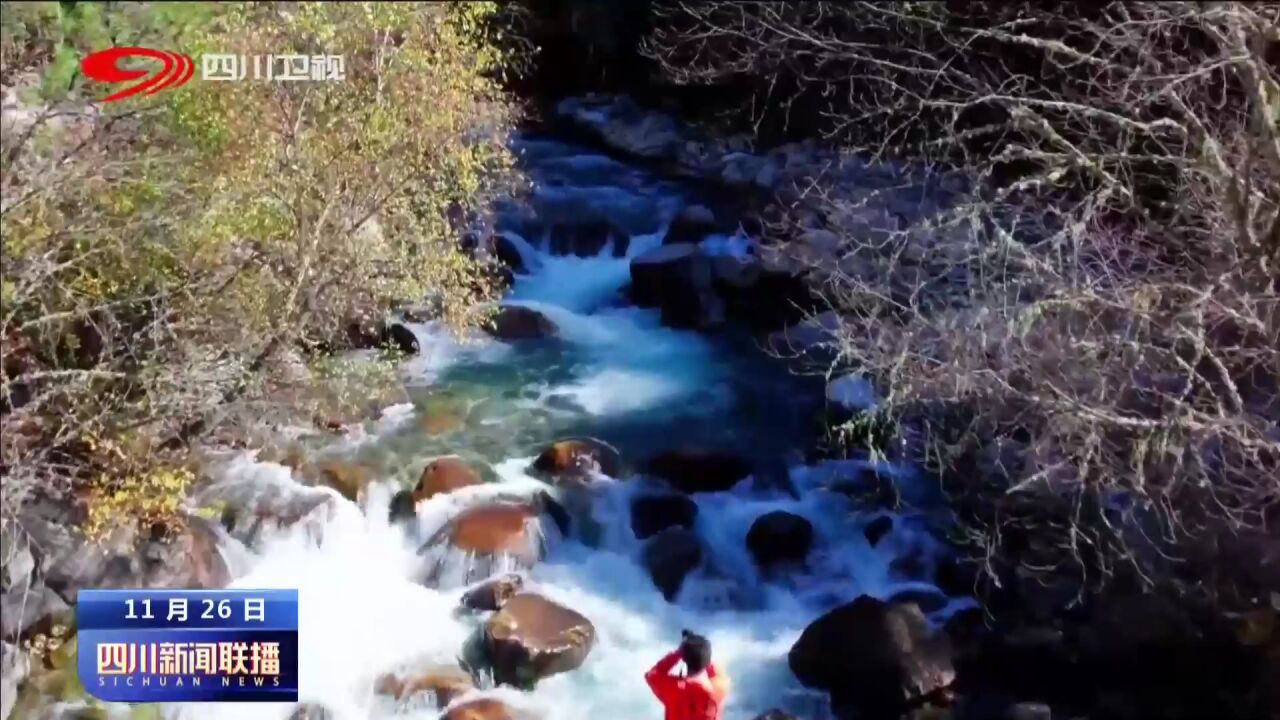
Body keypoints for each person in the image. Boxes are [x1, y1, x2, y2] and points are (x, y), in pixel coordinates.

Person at [644, 630, 731, 720]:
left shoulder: (674, 689)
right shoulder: (719, 687)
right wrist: (701, 652)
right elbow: (714, 669)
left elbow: (652, 674)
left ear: (684, 659)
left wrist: (678, 653)